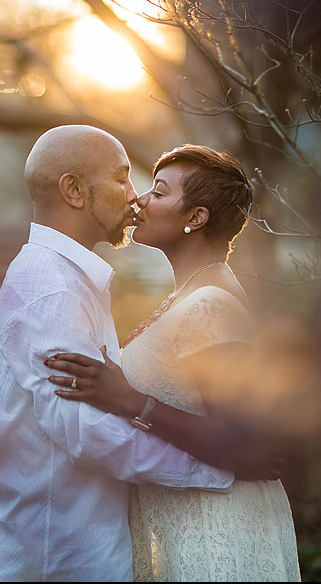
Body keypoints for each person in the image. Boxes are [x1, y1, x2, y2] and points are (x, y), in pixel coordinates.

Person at [0, 126, 251, 582]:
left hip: (76, 547)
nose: (135, 197)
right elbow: (86, 432)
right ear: (75, 191)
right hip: (52, 554)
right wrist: (219, 470)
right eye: (122, 179)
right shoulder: (53, 287)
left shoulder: (73, 279)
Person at [47, 144, 301, 581]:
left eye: (159, 192)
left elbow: (245, 443)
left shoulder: (210, 304)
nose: (139, 200)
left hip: (215, 529)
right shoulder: (187, 296)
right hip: (181, 523)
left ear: (196, 217)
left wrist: (131, 401)